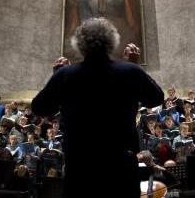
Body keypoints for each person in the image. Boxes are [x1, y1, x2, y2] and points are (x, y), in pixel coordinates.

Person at [32, 18, 163, 197]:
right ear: (112, 41)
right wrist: (134, 66)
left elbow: (40, 108)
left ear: (79, 44)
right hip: (120, 167)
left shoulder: (65, 75)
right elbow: (155, 98)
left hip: (80, 168)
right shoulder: (130, 72)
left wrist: (57, 78)